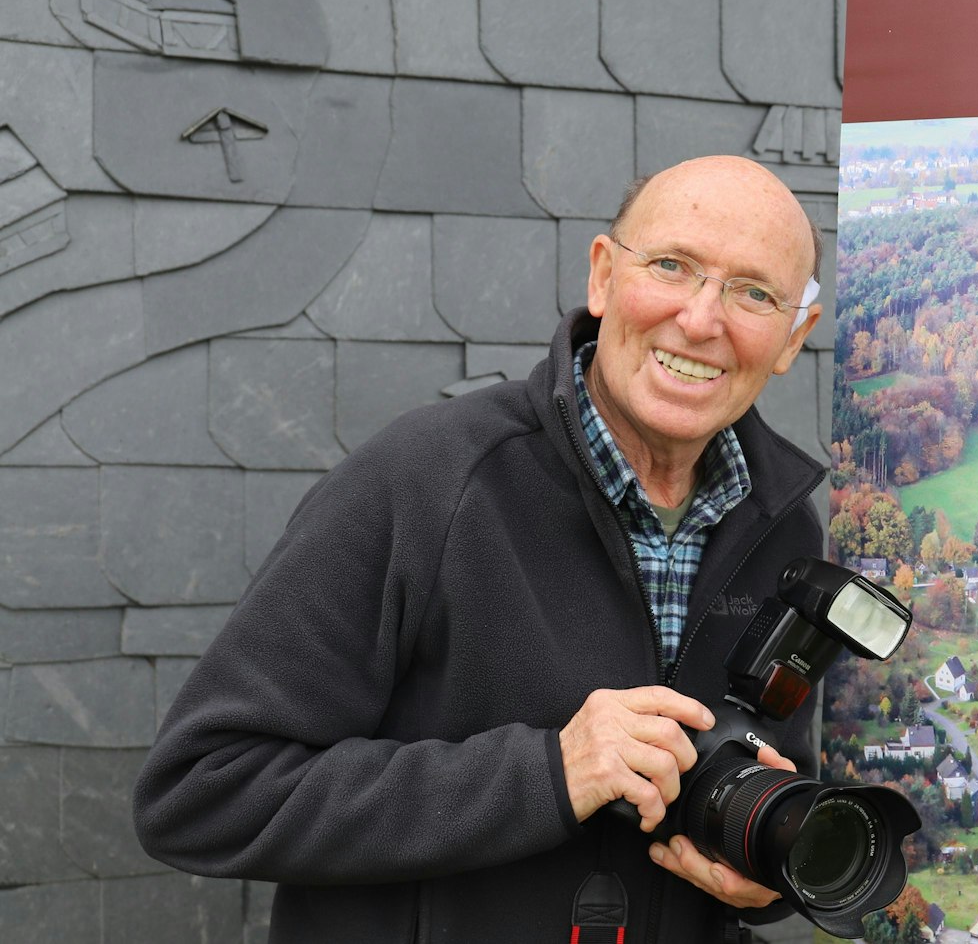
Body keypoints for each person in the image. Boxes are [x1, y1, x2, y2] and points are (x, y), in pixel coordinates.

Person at [133, 156, 828, 943]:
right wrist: (546, 774)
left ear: (792, 337)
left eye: (754, 293)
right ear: (603, 277)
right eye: (672, 266)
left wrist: (763, 873)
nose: (703, 320)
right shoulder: (424, 482)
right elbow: (200, 792)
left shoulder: (786, 531)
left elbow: (772, 768)